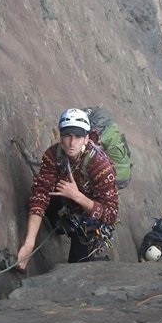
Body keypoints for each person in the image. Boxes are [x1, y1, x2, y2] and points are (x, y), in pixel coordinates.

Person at [17, 108, 119, 270]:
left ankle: (96, 261)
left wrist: (78, 196)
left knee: (77, 267)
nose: (72, 143)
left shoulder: (100, 165)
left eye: (78, 137)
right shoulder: (53, 155)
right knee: (45, 194)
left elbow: (111, 214)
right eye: (67, 136)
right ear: (61, 136)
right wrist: (29, 244)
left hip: (90, 218)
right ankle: (60, 226)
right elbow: (40, 195)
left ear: (86, 139)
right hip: (67, 200)